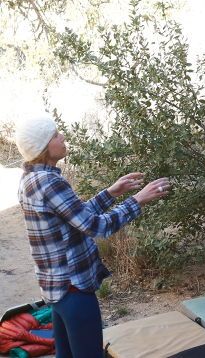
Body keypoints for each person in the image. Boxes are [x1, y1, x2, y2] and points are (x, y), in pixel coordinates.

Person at [14, 114, 171, 358]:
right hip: (73, 288)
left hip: (57, 289)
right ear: (43, 146)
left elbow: (75, 217)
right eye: (56, 134)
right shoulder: (48, 182)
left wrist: (111, 192)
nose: (62, 136)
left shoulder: (32, 178)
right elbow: (97, 227)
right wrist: (138, 200)